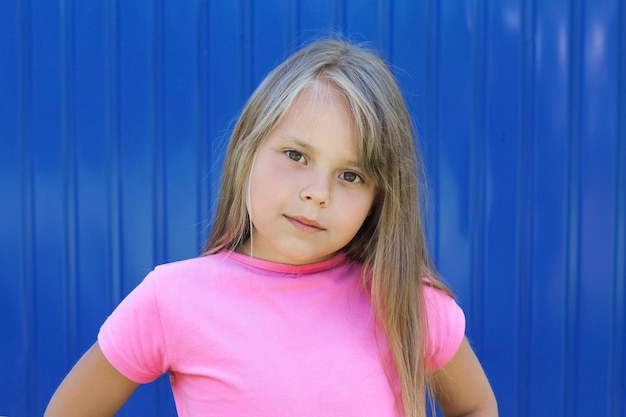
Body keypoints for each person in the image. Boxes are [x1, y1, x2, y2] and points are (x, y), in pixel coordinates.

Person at [45, 38, 497, 417]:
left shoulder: (406, 301)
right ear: (248, 151)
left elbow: (476, 407)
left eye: (351, 175)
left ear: (379, 198)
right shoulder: (172, 299)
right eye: (296, 155)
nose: (318, 193)